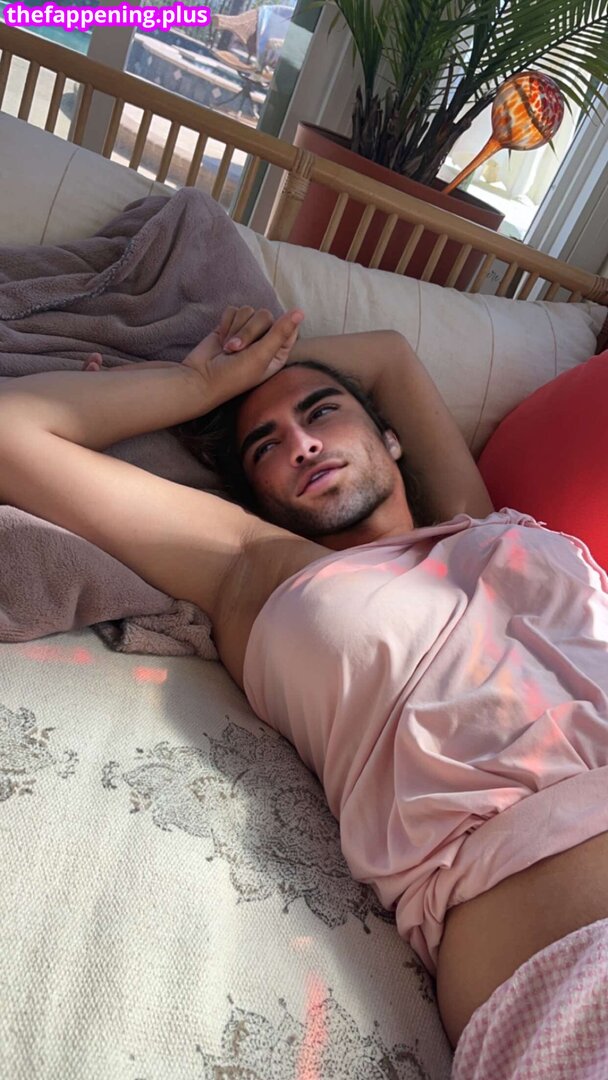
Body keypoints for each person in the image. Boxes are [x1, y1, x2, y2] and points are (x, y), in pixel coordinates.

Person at [1, 306, 607, 1072]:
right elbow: (12, 431)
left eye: (322, 412)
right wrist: (200, 382)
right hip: (566, 952)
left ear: (392, 437)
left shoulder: (485, 524)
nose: (302, 443)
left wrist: (271, 355)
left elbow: (390, 352)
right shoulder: (256, 570)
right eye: (266, 445)